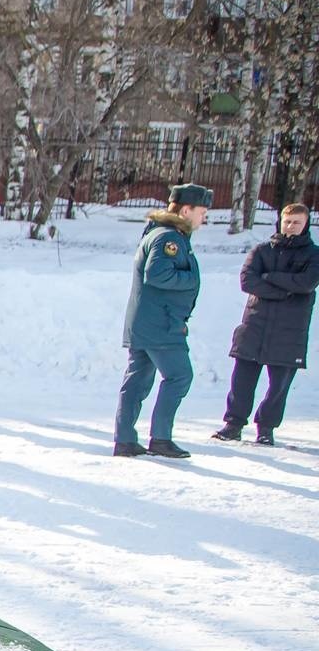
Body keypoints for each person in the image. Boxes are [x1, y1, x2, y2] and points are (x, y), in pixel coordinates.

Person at [115, 183, 211, 458]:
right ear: (185, 209)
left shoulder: (160, 233)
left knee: (137, 381)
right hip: (161, 324)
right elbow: (156, 274)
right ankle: (160, 437)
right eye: (201, 211)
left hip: (146, 322)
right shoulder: (168, 238)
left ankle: (125, 440)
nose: (204, 217)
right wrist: (191, 279)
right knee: (180, 376)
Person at [213, 202, 314, 447]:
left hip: (290, 331)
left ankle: (266, 428)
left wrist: (269, 278)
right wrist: (284, 290)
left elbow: (306, 284)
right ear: (280, 221)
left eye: (296, 222)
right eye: (287, 221)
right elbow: (248, 281)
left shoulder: (314, 255)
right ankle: (233, 424)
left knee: (279, 385)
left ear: (305, 225)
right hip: (255, 326)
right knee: (242, 380)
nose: (290, 226)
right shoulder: (261, 250)